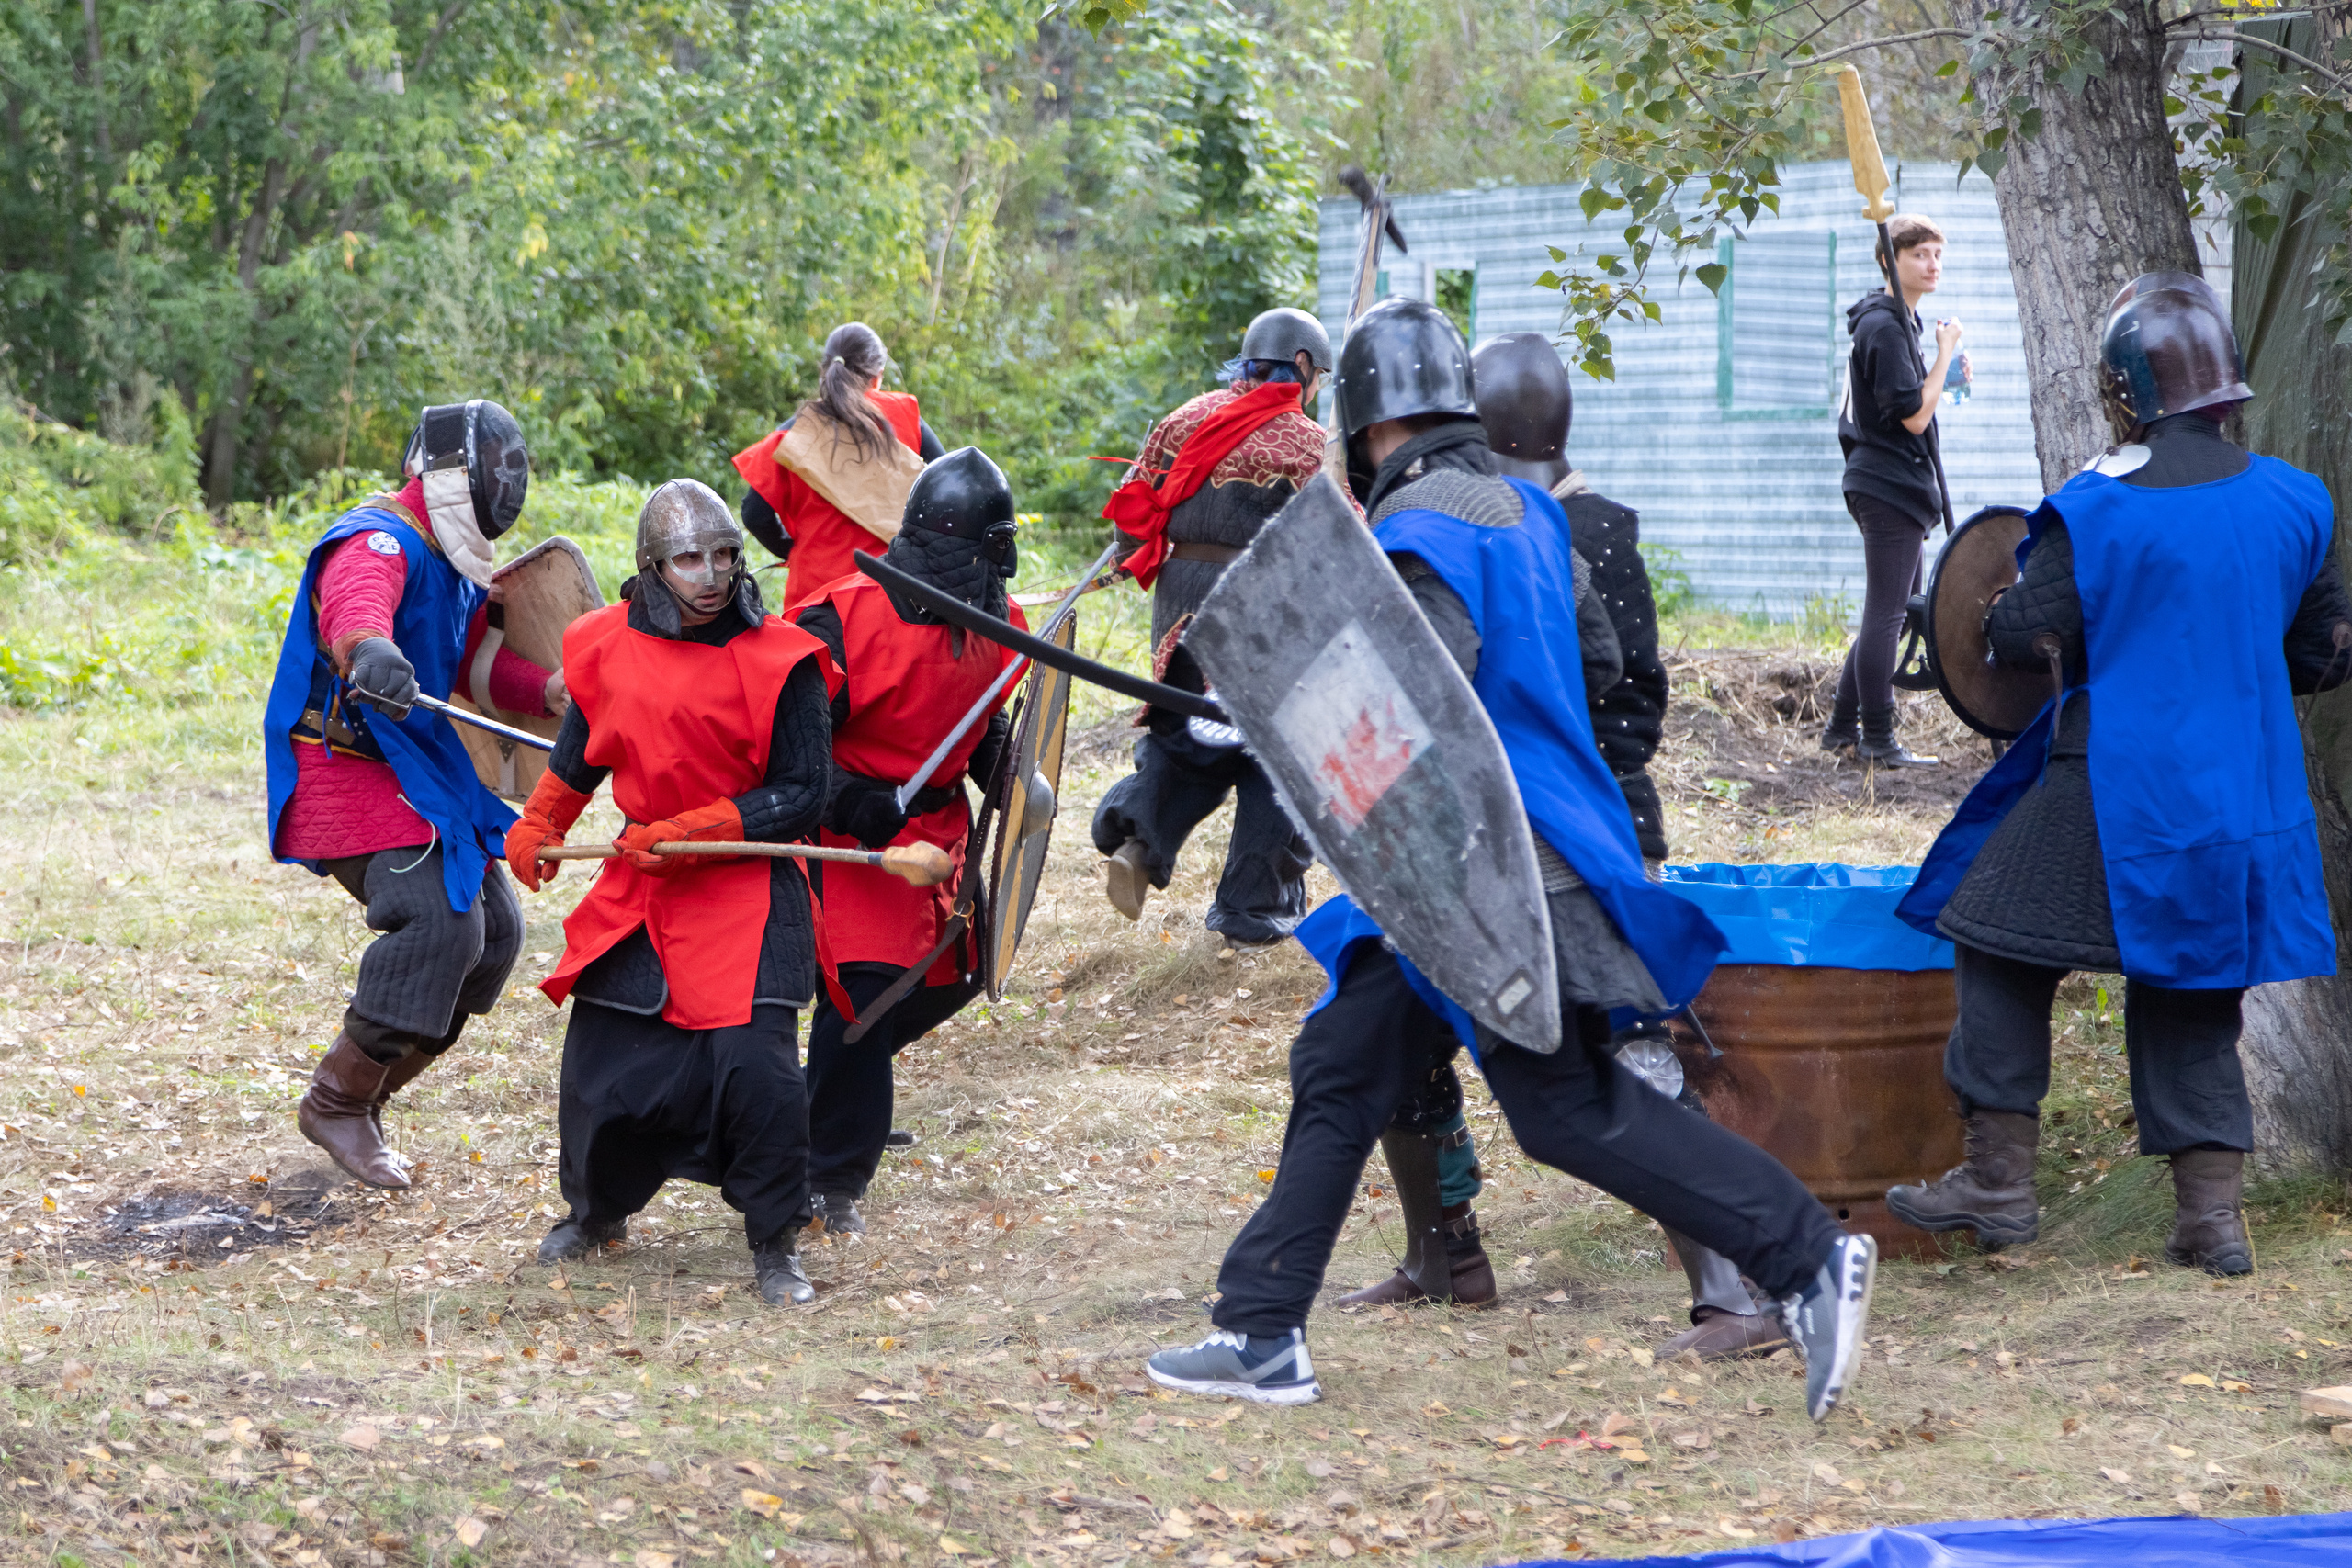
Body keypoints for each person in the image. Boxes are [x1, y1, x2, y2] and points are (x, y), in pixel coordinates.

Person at [1144, 298, 1876, 1418]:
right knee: (1343, 1061)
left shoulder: (1419, 533)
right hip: (1508, 848)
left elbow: (1412, 697)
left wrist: (1275, 714)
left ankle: (1805, 1257)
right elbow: (1582, 665)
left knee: (1565, 1109)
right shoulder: (1528, 515)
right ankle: (1260, 1327)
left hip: (1488, 869)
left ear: (1364, 420)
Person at [1888, 273, 2352, 1276]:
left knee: (1995, 937)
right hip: (2245, 796)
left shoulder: (2095, 508)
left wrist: (1998, 601)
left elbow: (2017, 635)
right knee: (2193, 983)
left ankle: (2000, 1187)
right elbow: (2325, 652)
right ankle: (2212, 1220)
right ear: (2224, 385)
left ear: (2127, 389)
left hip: (2120, 781)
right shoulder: (2294, 499)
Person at [1461, 332, 1789, 1359]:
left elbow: (1625, 693)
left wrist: (1561, 784)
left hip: (1583, 827)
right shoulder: (1484, 519)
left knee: (1633, 1052)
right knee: (1386, 1025)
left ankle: (1736, 1292)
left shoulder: (1587, 526)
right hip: (1486, 830)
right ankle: (1444, 1254)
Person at [504, 479, 837, 1305]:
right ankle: (596, 1214)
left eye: (725, 554)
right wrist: (544, 815)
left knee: (759, 1074)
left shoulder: (785, 658)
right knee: (600, 1067)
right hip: (645, 880)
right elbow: (582, 753)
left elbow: (808, 790)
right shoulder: (605, 646)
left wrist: (705, 829)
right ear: (653, 567)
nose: (713, 572)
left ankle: (774, 1241)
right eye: (691, 558)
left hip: (746, 880)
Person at [265, 400, 554, 1190]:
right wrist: (369, 650)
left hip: (418, 771)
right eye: (493, 469)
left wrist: (552, 689)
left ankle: (367, 1095)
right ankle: (335, 1102)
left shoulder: (457, 563)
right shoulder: (381, 537)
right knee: (439, 921)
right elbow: (354, 609)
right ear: (454, 472)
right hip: (348, 769)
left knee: (494, 937)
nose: (506, 482)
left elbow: (471, 672)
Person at [792, 449, 1026, 1236]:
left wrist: (1005, 768)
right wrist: (848, 798)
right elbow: (785, 746)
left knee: (959, 972)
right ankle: (829, 1175)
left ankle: (828, 1090)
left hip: (940, 829)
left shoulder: (1002, 620)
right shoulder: (842, 622)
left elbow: (984, 715)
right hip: (853, 835)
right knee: (863, 996)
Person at [1090, 306, 1340, 947]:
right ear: (1303, 367)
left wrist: (1137, 558)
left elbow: (1133, 508)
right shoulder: (1306, 443)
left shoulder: (1181, 419)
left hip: (1178, 612)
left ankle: (1138, 833)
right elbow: (1346, 544)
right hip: (1257, 618)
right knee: (1276, 757)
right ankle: (1250, 907)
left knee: (1184, 739)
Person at [1827, 213, 1962, 767]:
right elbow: (1910, 418)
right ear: (1890, 258)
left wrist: (1946, 376)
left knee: (1900, 611)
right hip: (1887, 484)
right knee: (1888, 613)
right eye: (1919, 254)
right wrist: (1946, 354)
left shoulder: (1899, 321)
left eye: (1937, 254)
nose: (1932, 265)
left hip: (1895, 482)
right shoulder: (1884, 325)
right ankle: (1878, 740)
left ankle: (1840, 727)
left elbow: (1914, 402)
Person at [732, 322, 947, 611]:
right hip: (893, 598)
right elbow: (950, 489)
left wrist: (793, 552)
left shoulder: (793, 437)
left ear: (825, 370)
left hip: (815, 601)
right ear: (877, 377)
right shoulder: (905, 419)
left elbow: (754, 513)